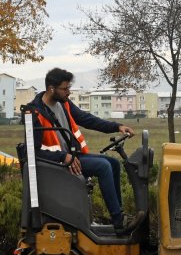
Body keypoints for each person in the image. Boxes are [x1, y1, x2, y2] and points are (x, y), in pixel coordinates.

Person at [25, 67, 144, 233]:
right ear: (52, 89)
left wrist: (117, 126)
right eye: (65, 88)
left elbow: (87, 120)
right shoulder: (34, 113)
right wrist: (62, 157)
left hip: (72, 158)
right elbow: (33, 153)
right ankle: (118, 221)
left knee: (114, 163)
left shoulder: (63, 104)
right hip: (55, 166)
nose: (68, 92)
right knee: (103, 167)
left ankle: (120, 216)